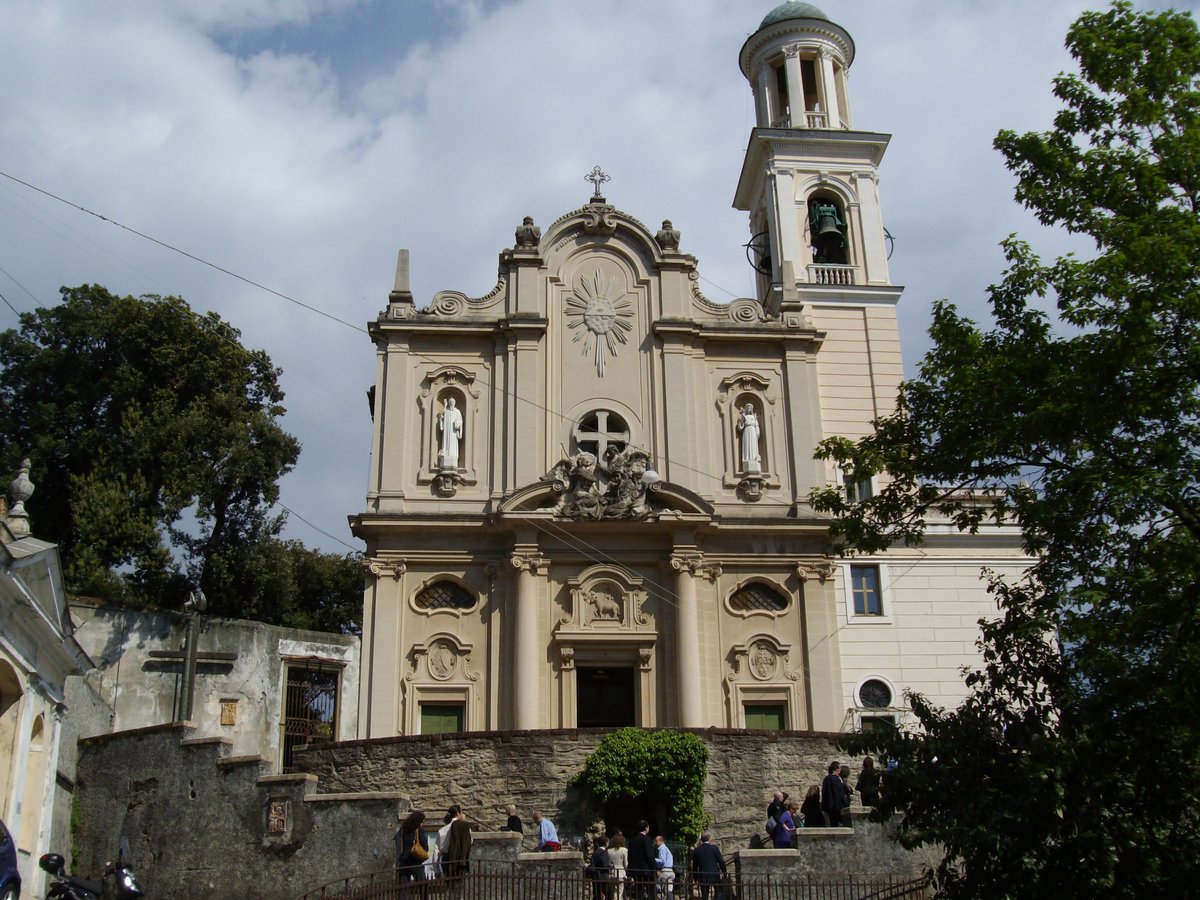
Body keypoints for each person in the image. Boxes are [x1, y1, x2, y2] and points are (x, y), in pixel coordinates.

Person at [394, 810, 430, 889]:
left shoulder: (403, 830)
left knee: (403, 888)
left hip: (404, 862)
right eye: (422, 821)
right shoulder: (420, 830)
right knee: (422, 887)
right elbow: (426, 848)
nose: (422, 823)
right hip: (415, 861)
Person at [690, 833, 726, 900]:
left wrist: (695, 877)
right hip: (714, 873)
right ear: (709, 839)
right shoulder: (714, 848)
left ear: (701, 840)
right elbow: (721, 862)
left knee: (704, 893)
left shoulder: (697, 850)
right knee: (719, 891)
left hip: (703, 875)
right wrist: (724, 872)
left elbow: (694, 865)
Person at [627, 820, 656, 900]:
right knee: (651, 891)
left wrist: (630, 871)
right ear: (646, 828)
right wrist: (655, 868)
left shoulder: (632, 840)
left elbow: (630, 856)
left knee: (638, 891)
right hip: (647, 871)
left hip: (635, 870)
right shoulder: (647, 839)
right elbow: (649, 855)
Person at [443, 805, 472, 884]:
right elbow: (470, 842)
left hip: (449, 859)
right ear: (457, 813)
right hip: (461, 860)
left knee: (450, 885)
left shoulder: (443, 829)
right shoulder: (465, 825)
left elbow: (441, 847)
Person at [822, 761, 850, 827]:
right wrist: (846, 804)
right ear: (837, 770)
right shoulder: (836, 779)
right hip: (836, 807)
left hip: (828, 807)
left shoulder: (826, 778)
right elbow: (839, 795)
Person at [438, 397, 463, 468]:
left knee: (453, 445)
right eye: (450, 402)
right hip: (447, 431)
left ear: (455, 403)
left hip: (454, 433)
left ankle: (453, 456)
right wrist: (445, 406)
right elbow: (442, 418)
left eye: (453, 402)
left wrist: (458, 425)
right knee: (445, 444)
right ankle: (445, 454)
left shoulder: (457, 412)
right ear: (449, 403)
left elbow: (460, 421)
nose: (451, 403)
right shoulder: (446, 412)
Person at [737, 403, 762, 472]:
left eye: (750, 408)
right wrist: (742, 418)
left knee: (753, 445)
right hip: (746, 431)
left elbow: (756, 425)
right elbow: (740, 427)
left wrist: (757, 432)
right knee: (747, 445)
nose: (749, 409)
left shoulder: (754, 417)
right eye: (748, 408)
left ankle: (754, 458)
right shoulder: (744, 417)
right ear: (746, 409)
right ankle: (747, 459)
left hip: (753, 431)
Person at [589, 834, 613, 900]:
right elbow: (605, 865)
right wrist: (611, 866)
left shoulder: (595, 852)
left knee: (597, 895)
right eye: (608, 842)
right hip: (603, 876)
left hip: (595, 877)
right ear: (606, 843)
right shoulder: (603, 852)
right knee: (609, 894)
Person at [607, 832, 629, 900]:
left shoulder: (609, 851)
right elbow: (626, 864)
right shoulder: (624, 850)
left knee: (613, 892)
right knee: (619, 893)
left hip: (611, 874)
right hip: (620, 874)